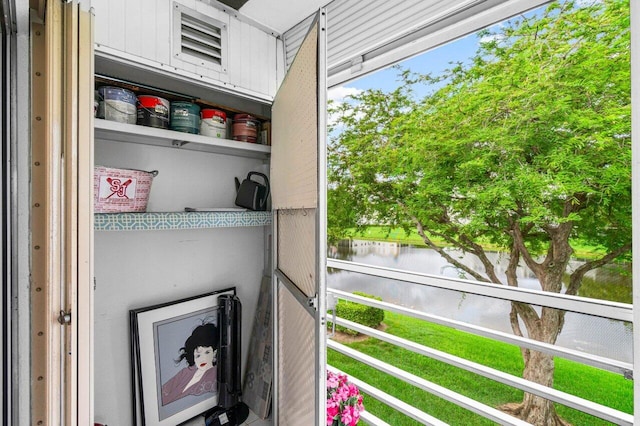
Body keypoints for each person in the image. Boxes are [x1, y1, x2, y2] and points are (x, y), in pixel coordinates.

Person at [161, 322, 219, 406]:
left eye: (207, 352)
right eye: (198, 355)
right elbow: (162, 393)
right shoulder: (185, 372)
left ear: (214, 353)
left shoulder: (215, 375)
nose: (202, 359)